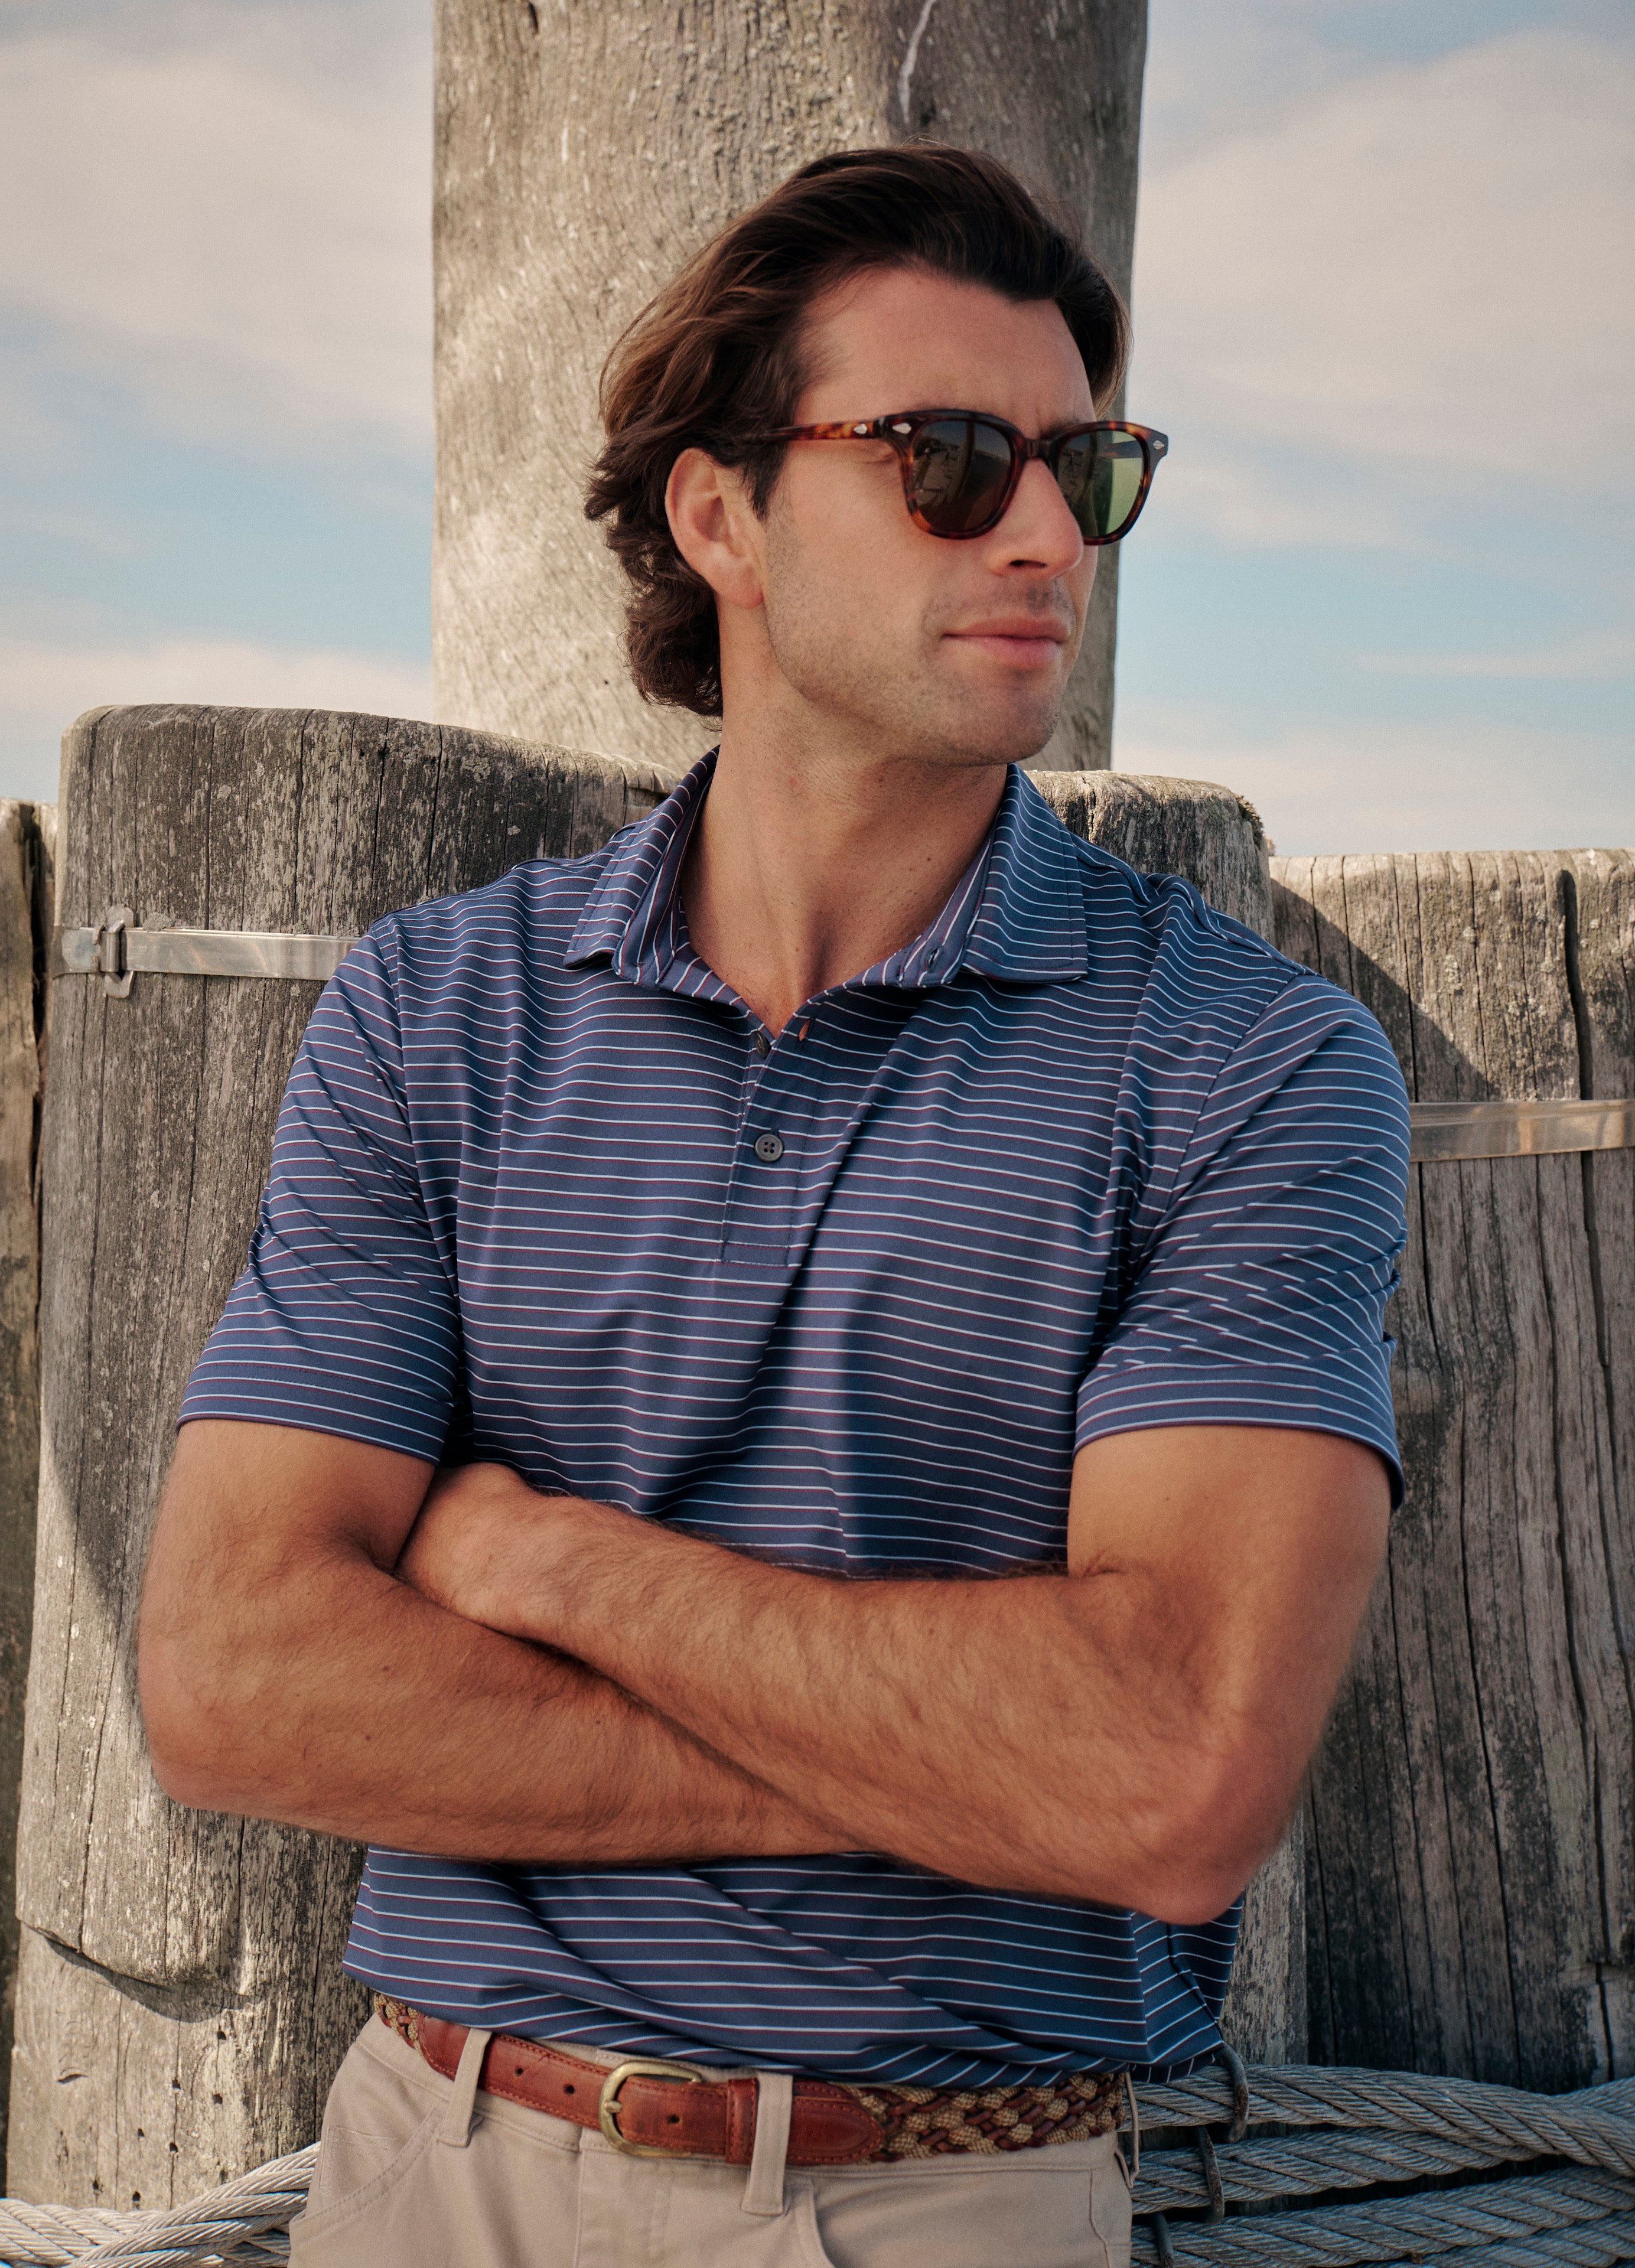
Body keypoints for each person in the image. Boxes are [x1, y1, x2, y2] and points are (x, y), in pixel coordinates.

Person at [139, 144, 1408, 2267]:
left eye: (1088, 473)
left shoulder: (1246, 1064)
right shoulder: (438, 1011)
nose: (1044, 535)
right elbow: (235, 1676)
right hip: (430, 2168)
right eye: (950, 461)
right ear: (717, 515)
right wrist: (962, 1761)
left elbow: (1172, 1781)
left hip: (946, 2194)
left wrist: (542, 1560)